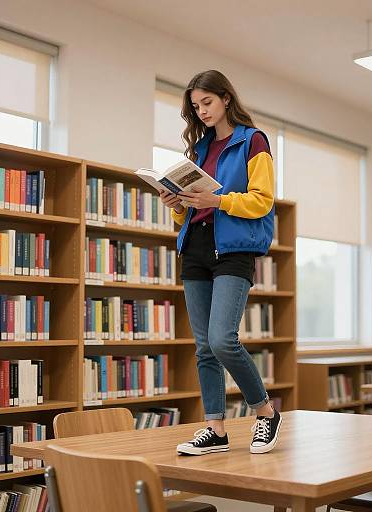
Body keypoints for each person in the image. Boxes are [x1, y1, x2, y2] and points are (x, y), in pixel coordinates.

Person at [159, 70, 280, 455]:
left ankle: (265, 412)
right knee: (203, 347)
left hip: (234, 248)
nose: (202, 111)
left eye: (207, 102)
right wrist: (176, 205)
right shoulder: (197, 150)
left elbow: (262, 200)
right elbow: (187, 215)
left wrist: (218, 199)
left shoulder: (252, 141)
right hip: (195, 246)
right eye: (196, 106)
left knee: (222, 339)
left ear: (226, 98)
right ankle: (216, 429)